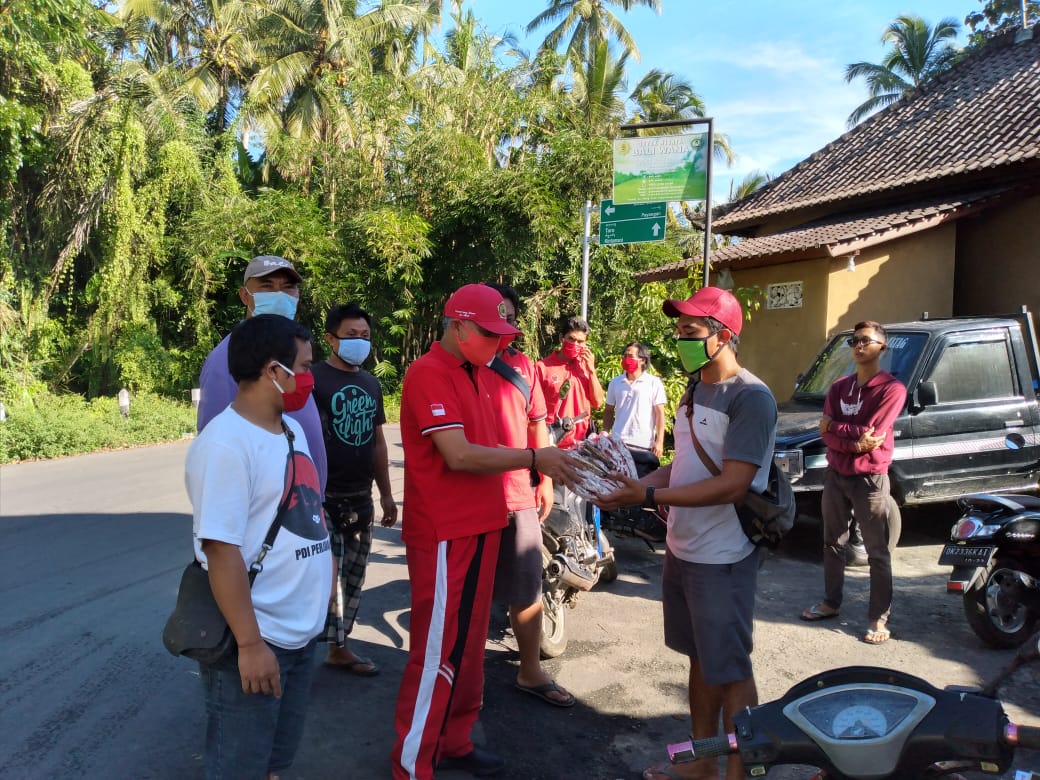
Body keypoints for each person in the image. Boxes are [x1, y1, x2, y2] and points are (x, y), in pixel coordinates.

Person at [390, 283, 577, 780]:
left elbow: (508, 435)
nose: (499, 343)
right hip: (444, 533)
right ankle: (412, 764)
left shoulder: (480, 374)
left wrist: (536, 466)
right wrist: (535, 459)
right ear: (458, 327)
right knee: (436, 651)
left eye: (503, 334)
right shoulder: (429, 372)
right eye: (489, 334)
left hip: (483, 525)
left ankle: (455, 739)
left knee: (469, 648)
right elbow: (459, 455)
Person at [593, 287, 777, 780]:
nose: (680, 340)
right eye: (678, 330)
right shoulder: (695, 390)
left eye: (690, 331)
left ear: (723, 336)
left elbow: (734, 483)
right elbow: (686, 466)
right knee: (701, 659)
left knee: (731, 669)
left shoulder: (751, 398)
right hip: (684, 548)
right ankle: (702, 763)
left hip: (724, 555)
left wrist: (650, 496)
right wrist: (634, 488)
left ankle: (740, 772)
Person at [185, 314, 333, 780]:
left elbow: (309, 513)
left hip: (300, 634)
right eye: (304, 367)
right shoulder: (226, 445)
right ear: (274, 371)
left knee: (274, 761)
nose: (309, 378)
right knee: (238, 766)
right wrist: (250, 645)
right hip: (257, 638)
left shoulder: (291, 431)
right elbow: (221, 551)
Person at [482, 283, 575, 708]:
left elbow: (538, 423)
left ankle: (530, 670)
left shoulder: (523, 366)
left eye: (509, 316)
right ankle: (460, 673)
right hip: (472, 494)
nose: (503, 323)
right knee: (468, 590)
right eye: (494, 315)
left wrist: (546, 480)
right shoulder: (455, 365)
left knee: (526, 584)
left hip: (518, 492)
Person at [800, 320, 906, 645]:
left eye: (865, 340)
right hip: (836, 475)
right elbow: (828, 434)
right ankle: (830, 603)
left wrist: (836, 428)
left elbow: (874, 433)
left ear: (882, 347)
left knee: (877, 552)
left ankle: (878, 618)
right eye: (854, 341)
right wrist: (851, 440)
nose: (858, 346)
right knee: (833, 543)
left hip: (870, 478)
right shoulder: (838, 388)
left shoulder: (892, 390)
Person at [312, 302, 398, 675]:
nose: (359, 341)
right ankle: (295, 651)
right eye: (351, 335)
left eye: (365, 335)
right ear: (331, 339)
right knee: (324, 579)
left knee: (353, 576)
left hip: (360, 497)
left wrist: (386, 494)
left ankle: (339, 648)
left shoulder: (370, 383)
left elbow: (377, 441)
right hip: (322, 498)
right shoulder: (313, 380)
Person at [197, 254, 327, 495]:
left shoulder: (294, 349)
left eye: (287, 287)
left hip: (304, 502)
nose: (279, 294)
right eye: (267, 286)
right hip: (268, 507)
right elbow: (216, 450)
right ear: (245, 295)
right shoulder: (226, 358)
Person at [535, 315, 605, 449]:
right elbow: (532, 408)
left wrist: (592, 371)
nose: (575, 344)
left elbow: (597, 402)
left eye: (580, 341)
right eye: (571, 339)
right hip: (552, 442)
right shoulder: (542, 367)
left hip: (580, 444)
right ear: (562, 338)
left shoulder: (585, 366)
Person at [603, 341, 667, 476]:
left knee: (640, 484)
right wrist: (605, 433)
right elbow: (608, 410)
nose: (626, 359)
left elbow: (660, 414)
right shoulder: (616, 382)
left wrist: (659, 441)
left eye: (630, 356)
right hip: (618, 443)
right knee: (616, 482)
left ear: (643, 360)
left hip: (643, 446)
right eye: (625, 355)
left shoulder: (653, 383)